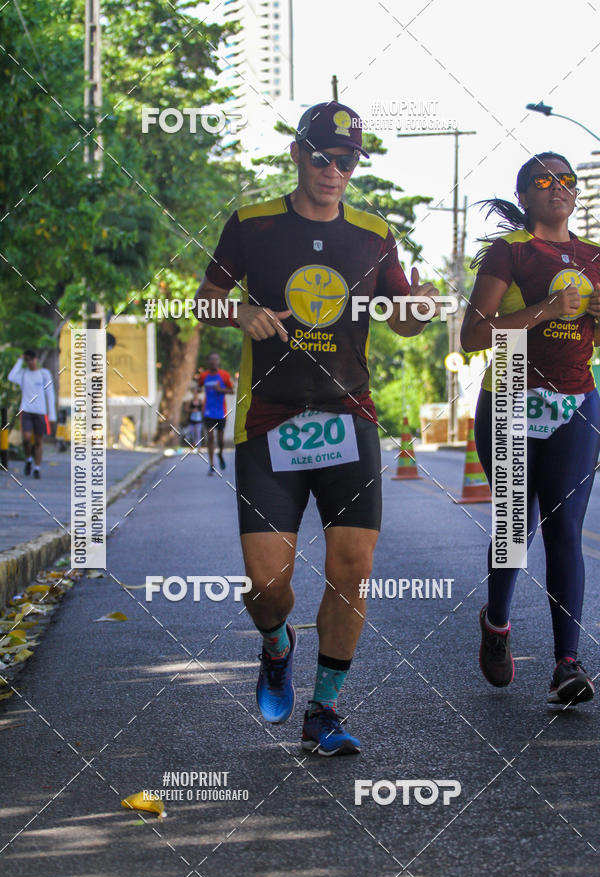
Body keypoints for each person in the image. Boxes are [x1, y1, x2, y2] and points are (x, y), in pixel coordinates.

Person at [194, 101, 440, 754]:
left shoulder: (373, 233)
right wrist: (238, 312)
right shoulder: (252, 224)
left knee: (352, 568)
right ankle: (276, 645)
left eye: (347, 161)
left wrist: (419, 309)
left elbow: (401, 317)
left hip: (349, 416)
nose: (335, 172)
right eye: (323, 158)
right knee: (267, 586)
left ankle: (324, 709)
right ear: (298, 155)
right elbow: (205, 298)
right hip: (269, 420)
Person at [461, 151, 600, 706]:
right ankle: (496, 624)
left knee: (565, 528)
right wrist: (545, 309)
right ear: (523, 195)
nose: (558, 186)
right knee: (516, 528)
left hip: (577, 400)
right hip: (511, 393)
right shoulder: (511, 251)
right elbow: (474, 335)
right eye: (544, 179)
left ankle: (567, 664)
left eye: (566, 179)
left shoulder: (594, 256)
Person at [8, 350, 56, 479]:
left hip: (40, 412)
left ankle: (37, 468)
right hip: (26, 411)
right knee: (27, 439)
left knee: (39, 441)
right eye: (27, 360)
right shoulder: (23, 374)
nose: (30, 362)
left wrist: (52, 415)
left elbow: (50, 394)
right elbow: (11, 377)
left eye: (32, 359)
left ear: (36, 359)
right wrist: (20, 360)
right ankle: (28, 459)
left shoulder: (44, 374)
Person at [196, 352, 234, 474]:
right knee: (211, 438)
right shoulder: (204, 376)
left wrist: (220, 389)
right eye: (211, 359)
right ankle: (211, 465)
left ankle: (220, 453)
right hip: (208, 411)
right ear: (208, 361)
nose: (213, 361)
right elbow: (198, 387)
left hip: (221, 412)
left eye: (216, 359)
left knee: (220, 440)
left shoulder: (224, 375)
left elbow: (232, 391)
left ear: (219, 361)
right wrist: (198, 390)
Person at [185, 387, 204, 451]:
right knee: (192, 433)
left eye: (196, 393)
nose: (195, 394)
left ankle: (199, 447)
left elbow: (203, 409)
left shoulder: (201, 401)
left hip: (199, 420)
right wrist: (192, 410)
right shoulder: (190, 401)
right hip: (192, 420)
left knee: (198, 433)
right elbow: (186, 409)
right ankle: (192, 446)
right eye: (194, 393)